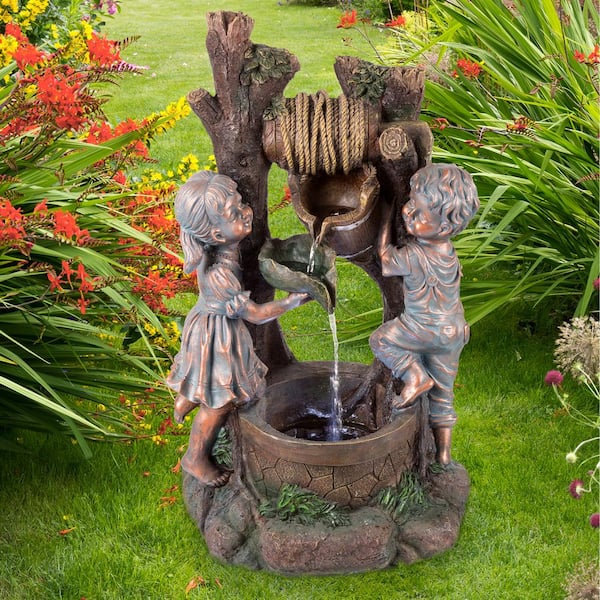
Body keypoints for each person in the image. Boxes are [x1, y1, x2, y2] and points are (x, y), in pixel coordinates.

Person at [167, 171, 310, 486]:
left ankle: (189, 398)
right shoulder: (221, 276)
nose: (247, 211)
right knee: (221, 402)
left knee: (215, 388)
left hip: (209, 328)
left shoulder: (221, 251)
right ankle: (195, 458)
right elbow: (257, 314)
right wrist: (292, 302)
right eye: (235, 212)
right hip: (217, 337)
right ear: (216, 236)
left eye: (241, 203)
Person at [369, 164, 479, 465]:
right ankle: (443, 454)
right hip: (454, 332)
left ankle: (414, 376)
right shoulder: (449, 252)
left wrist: (384, 223)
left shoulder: (414, 255)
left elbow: (386, 260)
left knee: (381, 340)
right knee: (444, 394)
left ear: (442, 228)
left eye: (417, 212)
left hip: (420, 328)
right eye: (409, 204)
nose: (408, 212)